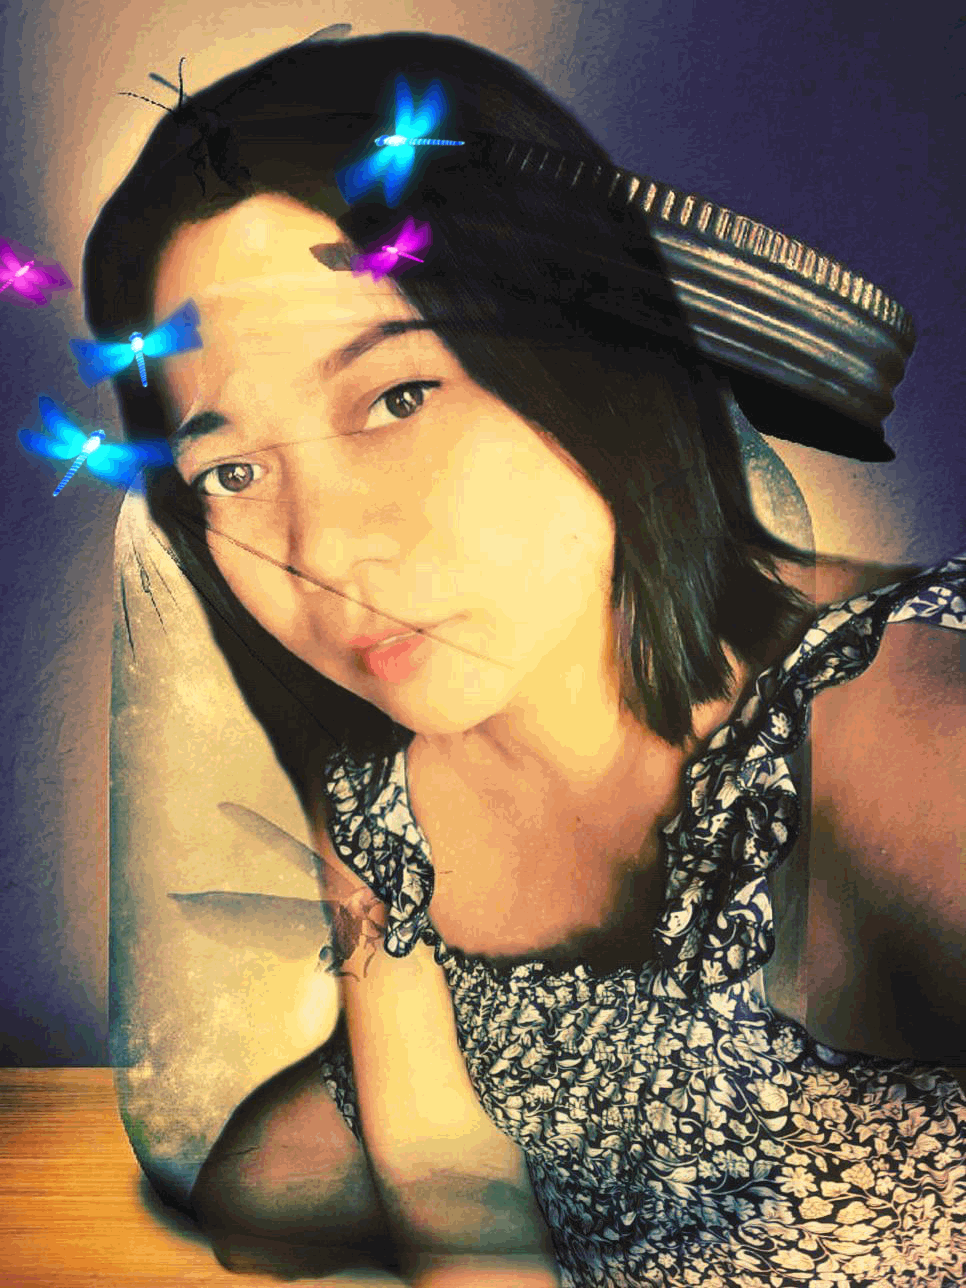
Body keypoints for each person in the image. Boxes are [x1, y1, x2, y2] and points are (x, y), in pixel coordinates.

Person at [83, 27, 965, 1288]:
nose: (322, 549)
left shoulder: (904, 725)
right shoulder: (377, 797)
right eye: (230, 471)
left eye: (397, 397)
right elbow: (455, 1195)